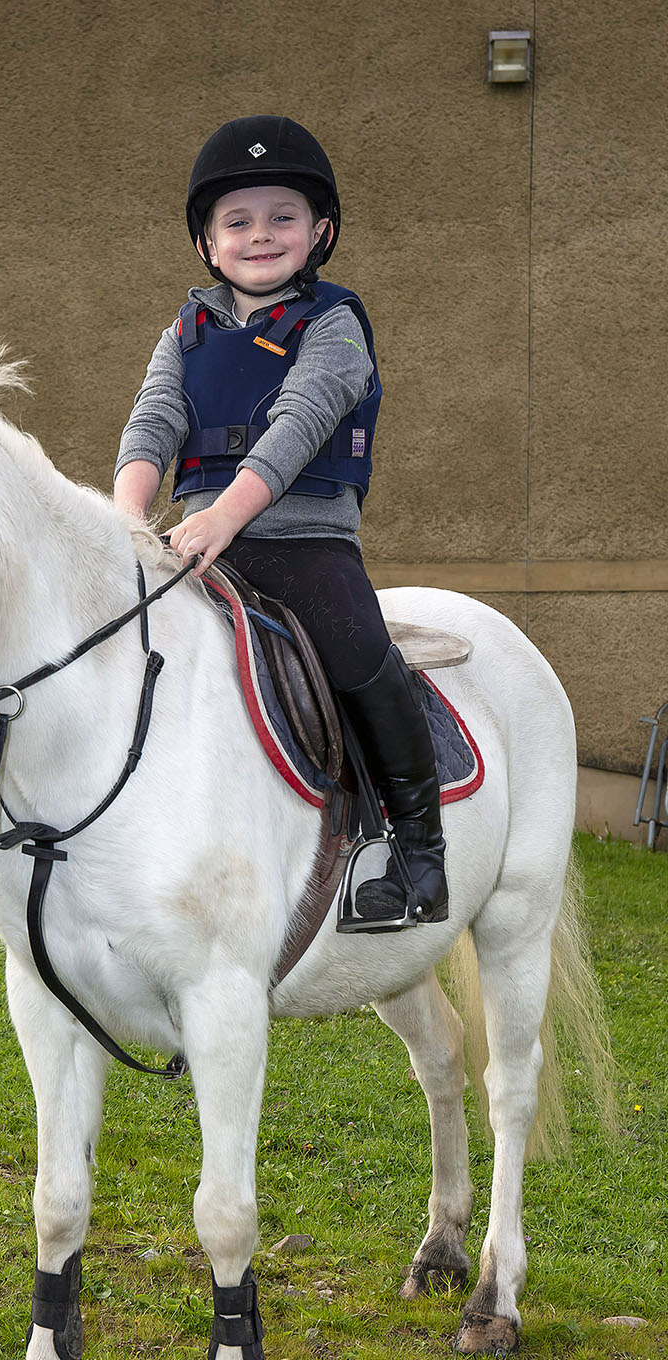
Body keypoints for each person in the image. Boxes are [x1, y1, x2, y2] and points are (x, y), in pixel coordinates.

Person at [114, 115, 448, 928]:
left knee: (360, 653)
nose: (260, 235)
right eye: (238, 221)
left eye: (282, 217)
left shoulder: (334, 325)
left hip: (302, 541)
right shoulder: (184, 332)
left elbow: (298, 425)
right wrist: (122, 521)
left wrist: (225, 516)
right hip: (196, 544)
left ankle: (419, 853)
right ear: (207, 244)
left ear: (320, 230)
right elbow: (153, 420)